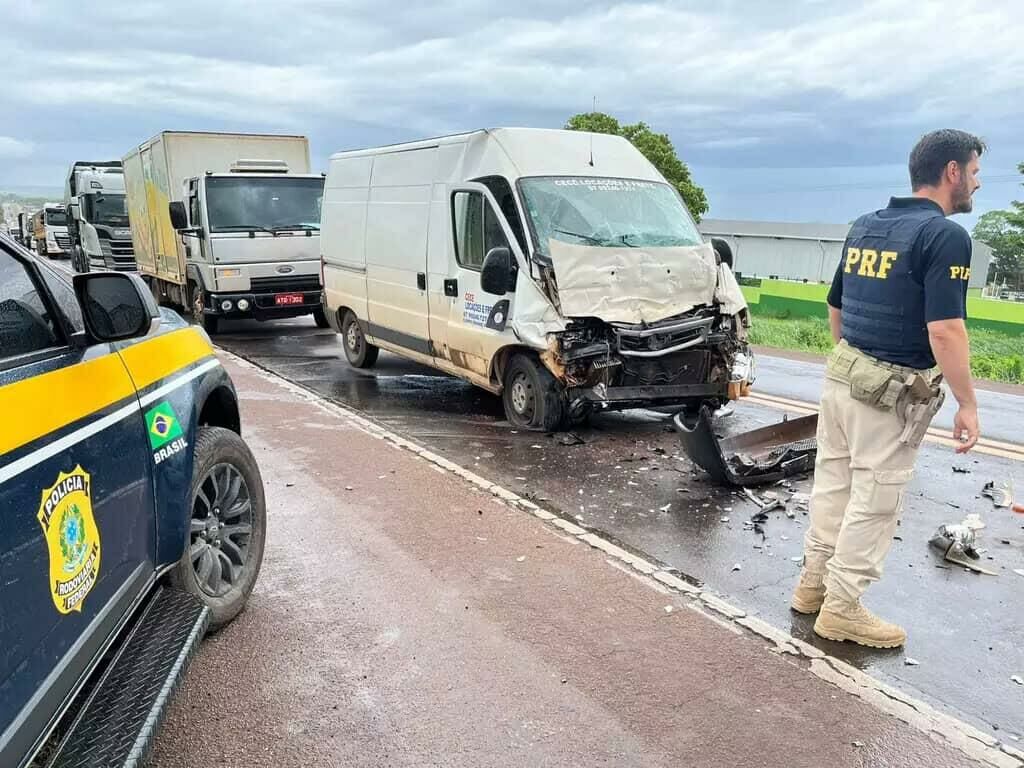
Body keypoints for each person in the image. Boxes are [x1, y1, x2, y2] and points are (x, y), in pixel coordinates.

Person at [791, 129, 984, 648]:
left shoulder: (867, 225)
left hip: (842, 377)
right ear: (951, 172)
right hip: (889, 393)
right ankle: (843, 608)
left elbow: (836, 306)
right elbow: (944, 329)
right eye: (974, 171)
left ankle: (811, 587)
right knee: (874, 501)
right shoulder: (944, 236)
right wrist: (967, 403)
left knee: (833, 488)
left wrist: (853, 361)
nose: (977, 183)